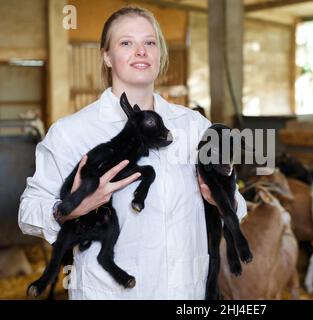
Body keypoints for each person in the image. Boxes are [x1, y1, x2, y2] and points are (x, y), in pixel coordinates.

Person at [18, 6, 247, 300]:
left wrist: (221, 199)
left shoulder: (194, 126)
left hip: (186, 292)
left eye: (150, 43)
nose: (141, 51)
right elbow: (28, 210)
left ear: (160, 54)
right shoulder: (72, 132)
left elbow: (238, 204)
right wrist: (69, 209)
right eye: (127, 43)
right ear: (107, 56)